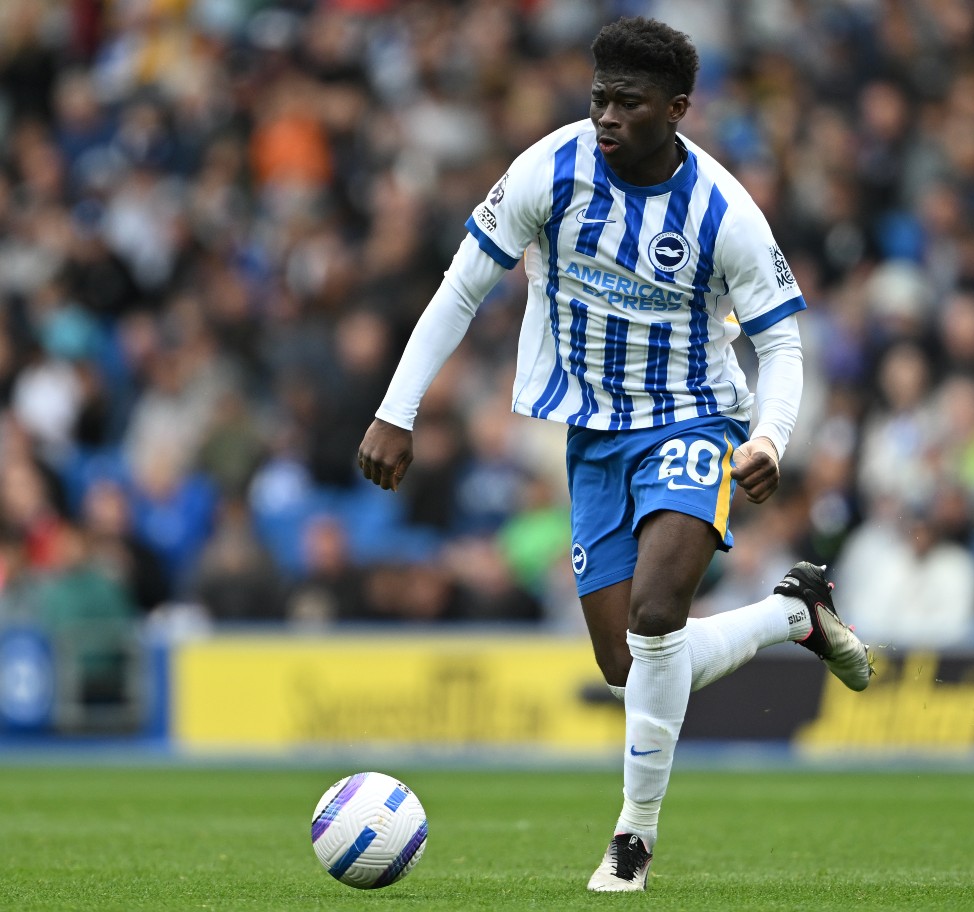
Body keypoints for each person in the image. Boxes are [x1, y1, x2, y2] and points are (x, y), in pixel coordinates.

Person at [356, 17, 872, 892]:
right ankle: (793, 615)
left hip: (693, 421)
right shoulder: (546, 170)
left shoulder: (723, 211)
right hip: (593, 435)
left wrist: (768, 438)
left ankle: (632, 840)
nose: (606, 116)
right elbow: (462, 287)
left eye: (629, 103)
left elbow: (783, 342)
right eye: (599, 98)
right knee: (629, 667)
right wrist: (395, 411)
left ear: (676, 109)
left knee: (657, 612)